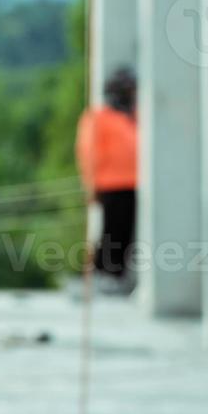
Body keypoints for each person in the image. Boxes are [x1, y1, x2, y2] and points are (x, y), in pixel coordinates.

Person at [75, 66, 138, 292]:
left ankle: (116, 275)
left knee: (125, 231)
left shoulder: (132, 117)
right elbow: (88, 152)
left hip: (133, 184)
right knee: (112, 230)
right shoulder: (99, 117)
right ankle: (104, 274)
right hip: (110, 184)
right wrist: (90, 184)